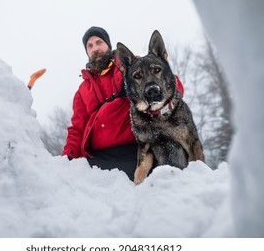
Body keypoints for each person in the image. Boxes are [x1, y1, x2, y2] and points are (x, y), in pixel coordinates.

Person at [62, 26, 184, 181]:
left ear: (108, 45)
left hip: (138, 149)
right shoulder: (82, 90)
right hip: (100, 158)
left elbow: (173, 84)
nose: (95, 48)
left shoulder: (133, 68)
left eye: (99, 42)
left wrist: (146, 91)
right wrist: (67, 159)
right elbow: (77, 129)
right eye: (90, 46)